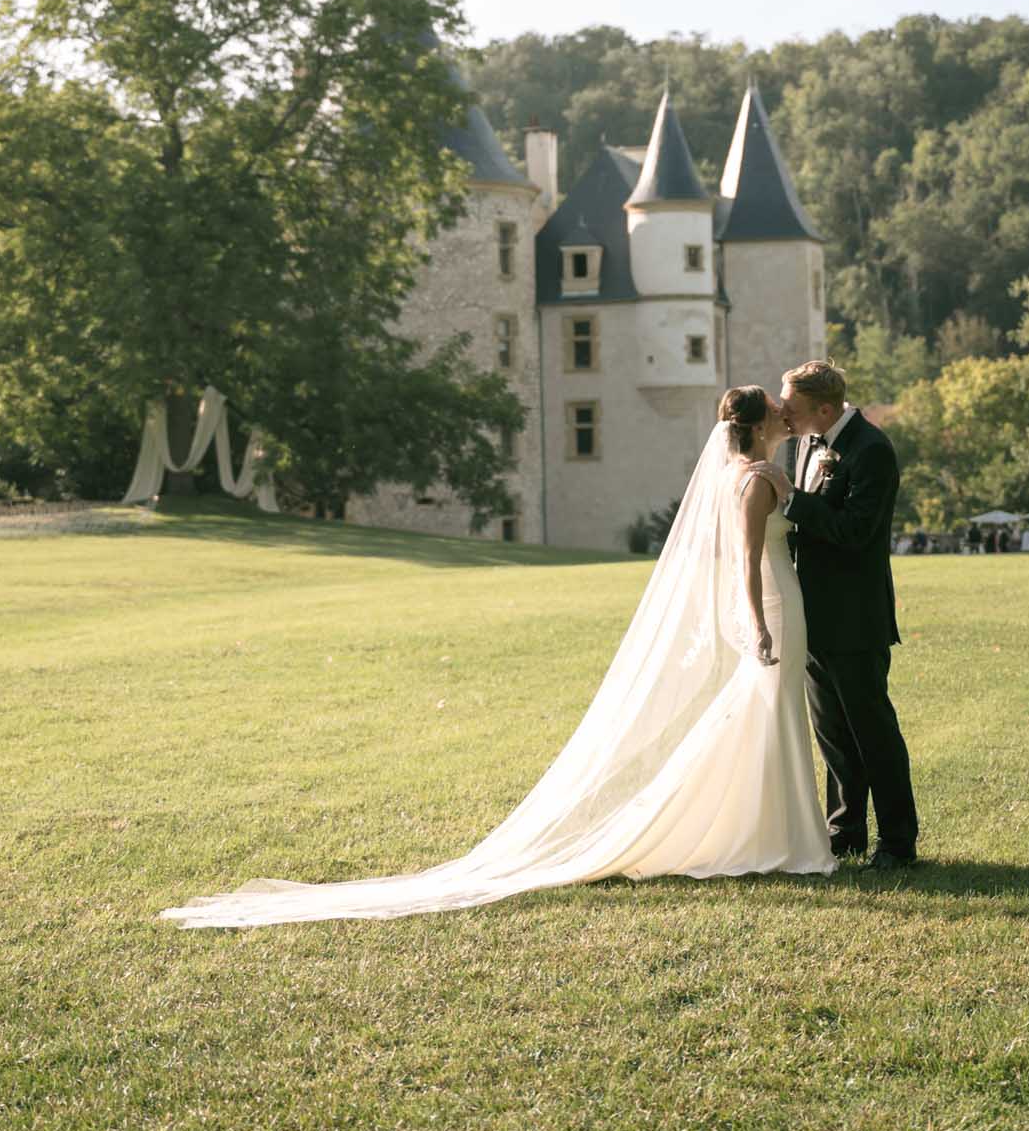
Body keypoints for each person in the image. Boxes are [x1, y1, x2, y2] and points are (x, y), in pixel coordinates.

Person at [159, 385, 834, 931]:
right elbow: (744, 560)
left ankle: (768, 830)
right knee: (765, 714)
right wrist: (756, 620)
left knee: (761, 716)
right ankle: (773, 837)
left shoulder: (750, 472)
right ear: (756, 425)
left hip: (784, 600)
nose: (786, 414)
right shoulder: (750, 481)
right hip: (775, 604)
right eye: (778, 411)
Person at [755, 360, 919, 871]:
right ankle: (843, 831)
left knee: (873, 733)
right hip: (812, 613)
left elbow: (855, 531)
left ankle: (897, 843)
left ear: (824, 409)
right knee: (832, 734)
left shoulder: (872, 450)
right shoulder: (807, 442)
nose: (784, 412)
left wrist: (792, 497)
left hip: (855, 616)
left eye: (792, 406)